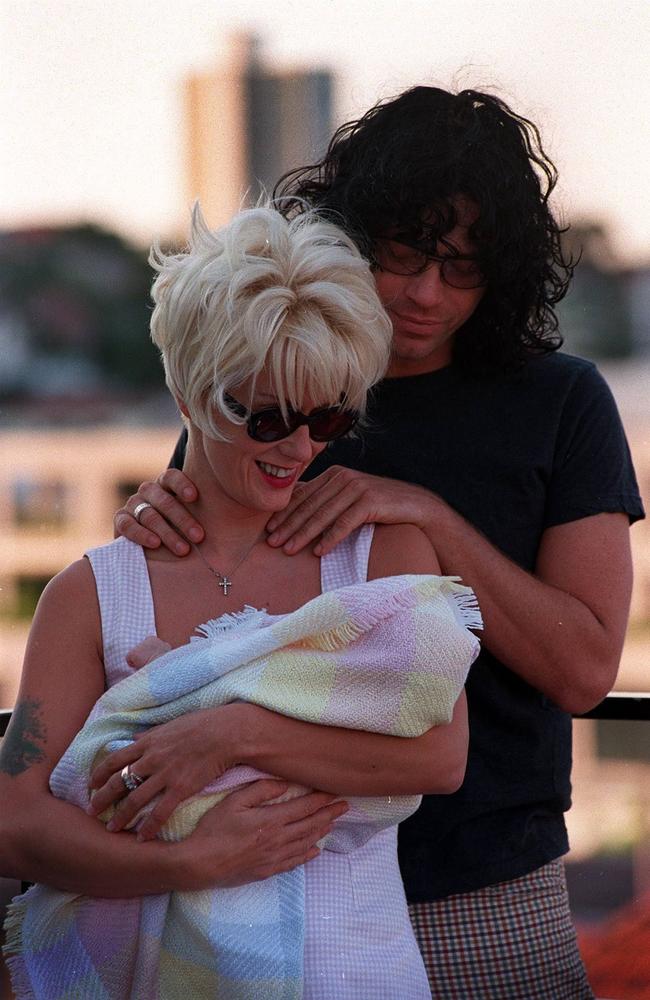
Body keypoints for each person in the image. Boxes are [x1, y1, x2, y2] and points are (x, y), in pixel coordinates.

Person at [115, 86, 645, 999]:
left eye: (465, 267)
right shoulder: (271, 375)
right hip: (274, 876)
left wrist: (426, 518)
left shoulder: (561, 401)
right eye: (405, 254)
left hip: (487, 889)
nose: (428, 292)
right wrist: (144, 524)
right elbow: (175, 627)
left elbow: (587, 669)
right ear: (354, 233)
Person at [1, 202, 478, 1000]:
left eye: (328, 415)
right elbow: (16, 822)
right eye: (265, 417)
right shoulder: (93, 592)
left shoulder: (380, 552)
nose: (299, 448)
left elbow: (439, 756)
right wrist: (189, 862)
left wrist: (227, 735)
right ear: (188, 396)